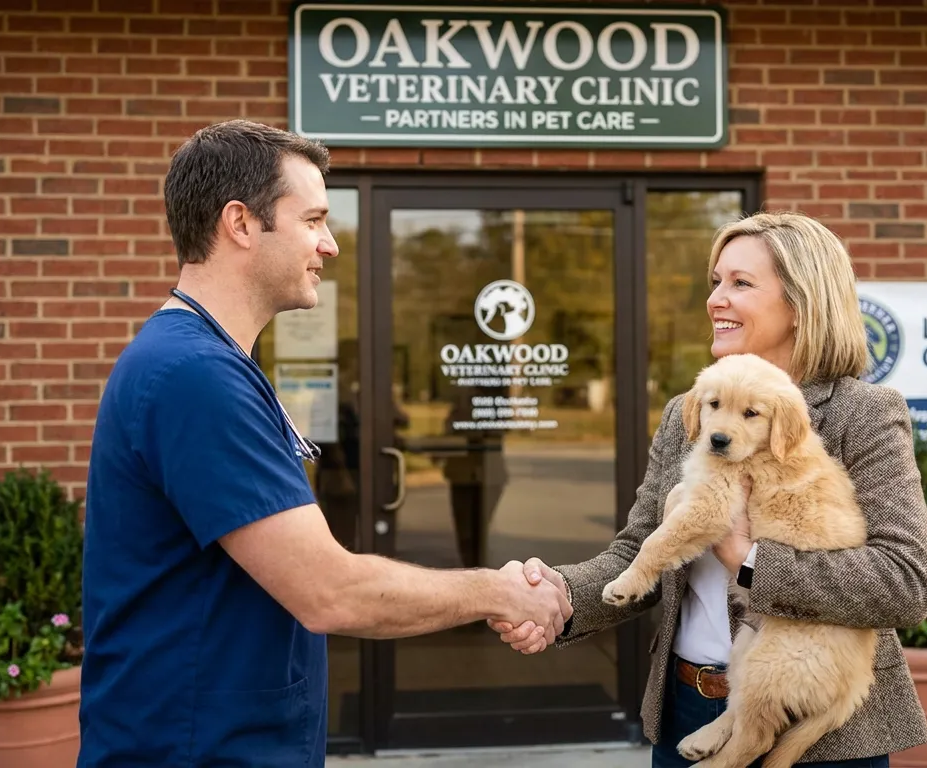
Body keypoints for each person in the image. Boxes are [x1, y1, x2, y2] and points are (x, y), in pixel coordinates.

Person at [77, 120, 569, 768]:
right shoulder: (193, 375)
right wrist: (500, 593)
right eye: (313, 219)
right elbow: (329, 590)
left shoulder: (208, 361)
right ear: (241, 224)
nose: (330, 245)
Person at [493, 212, 927, 767]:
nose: (715, 299)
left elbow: (904, 583)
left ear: (802, 304)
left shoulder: (862, 415)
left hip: (820, 731)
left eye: (740, 283)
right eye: (716, 281)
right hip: (687, 707)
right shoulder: (691, 409)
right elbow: (638, 551)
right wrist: (555, 597)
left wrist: (744, 557)